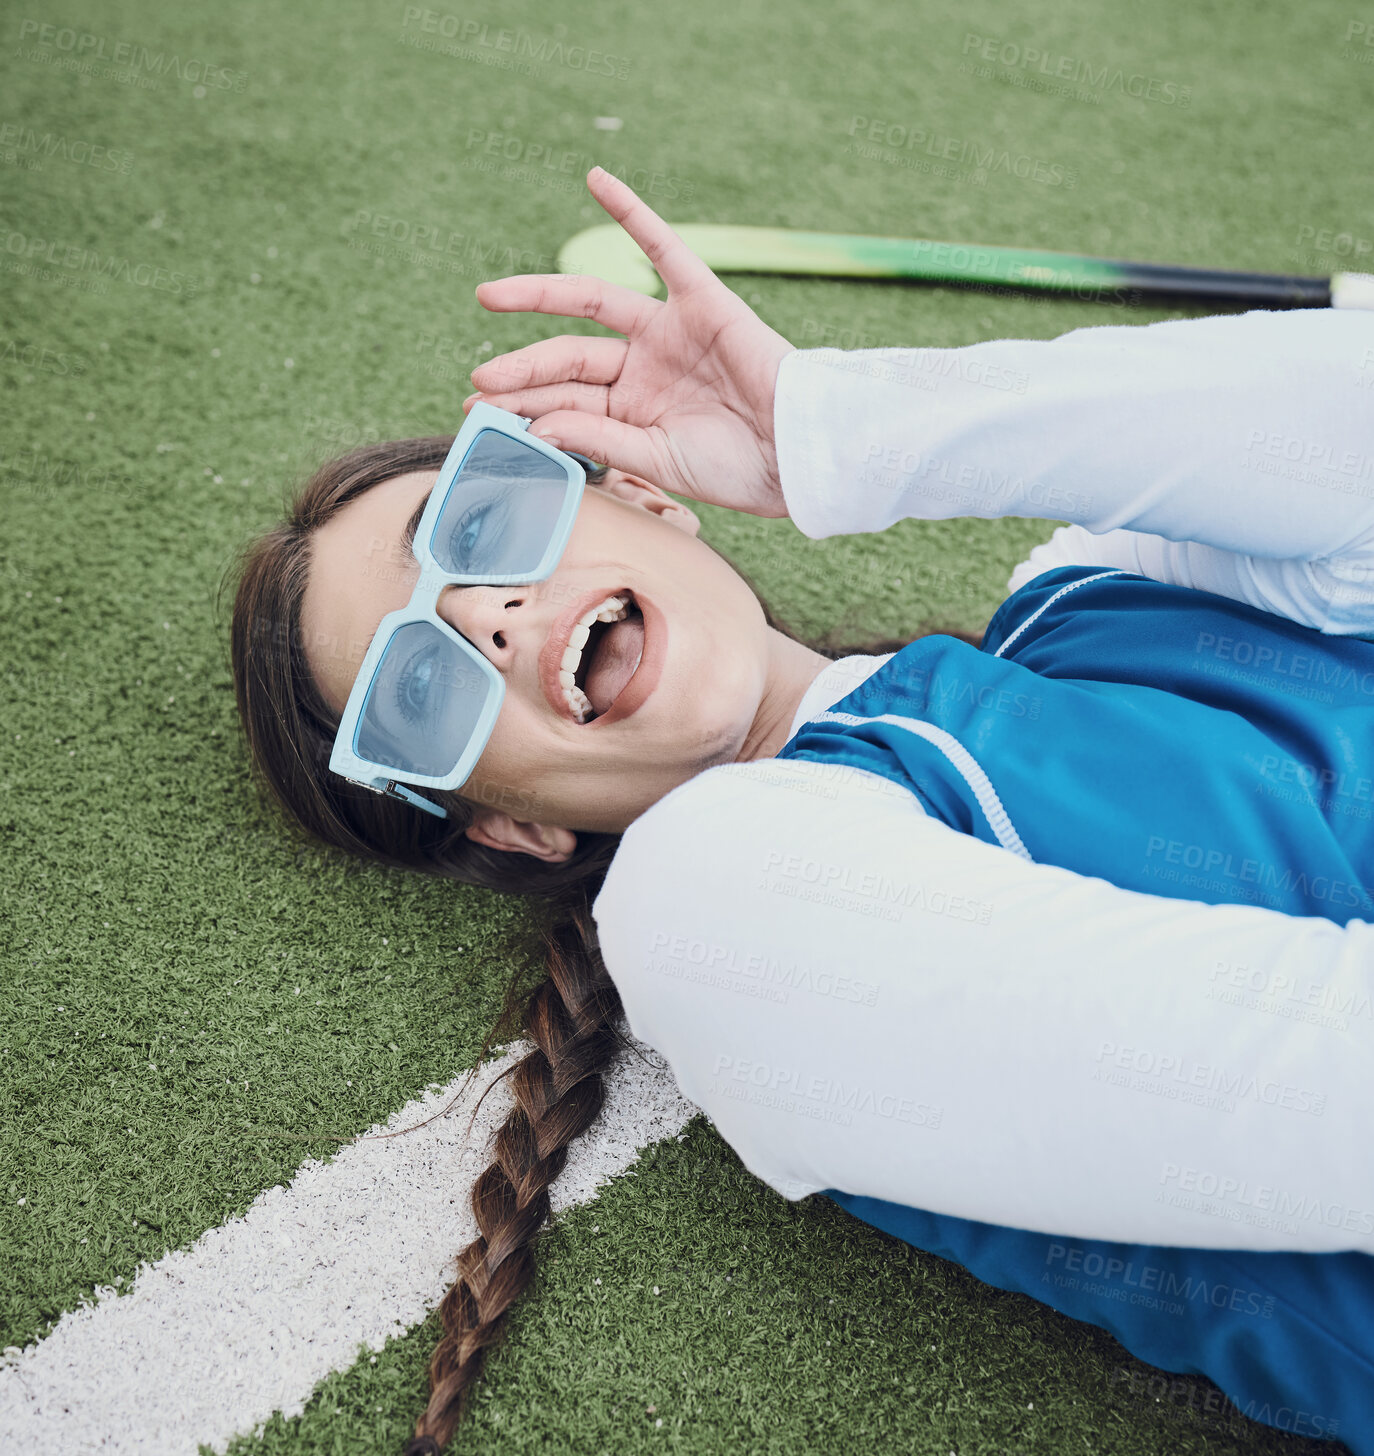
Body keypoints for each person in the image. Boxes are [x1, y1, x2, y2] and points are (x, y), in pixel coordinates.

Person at [228, 168, 1374, 1455]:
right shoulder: (716, 904)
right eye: (417, 689)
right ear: (515, 826)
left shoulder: (1103, 588)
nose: (486, 614)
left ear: (636, 494)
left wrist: (837, 430)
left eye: (483, 523)